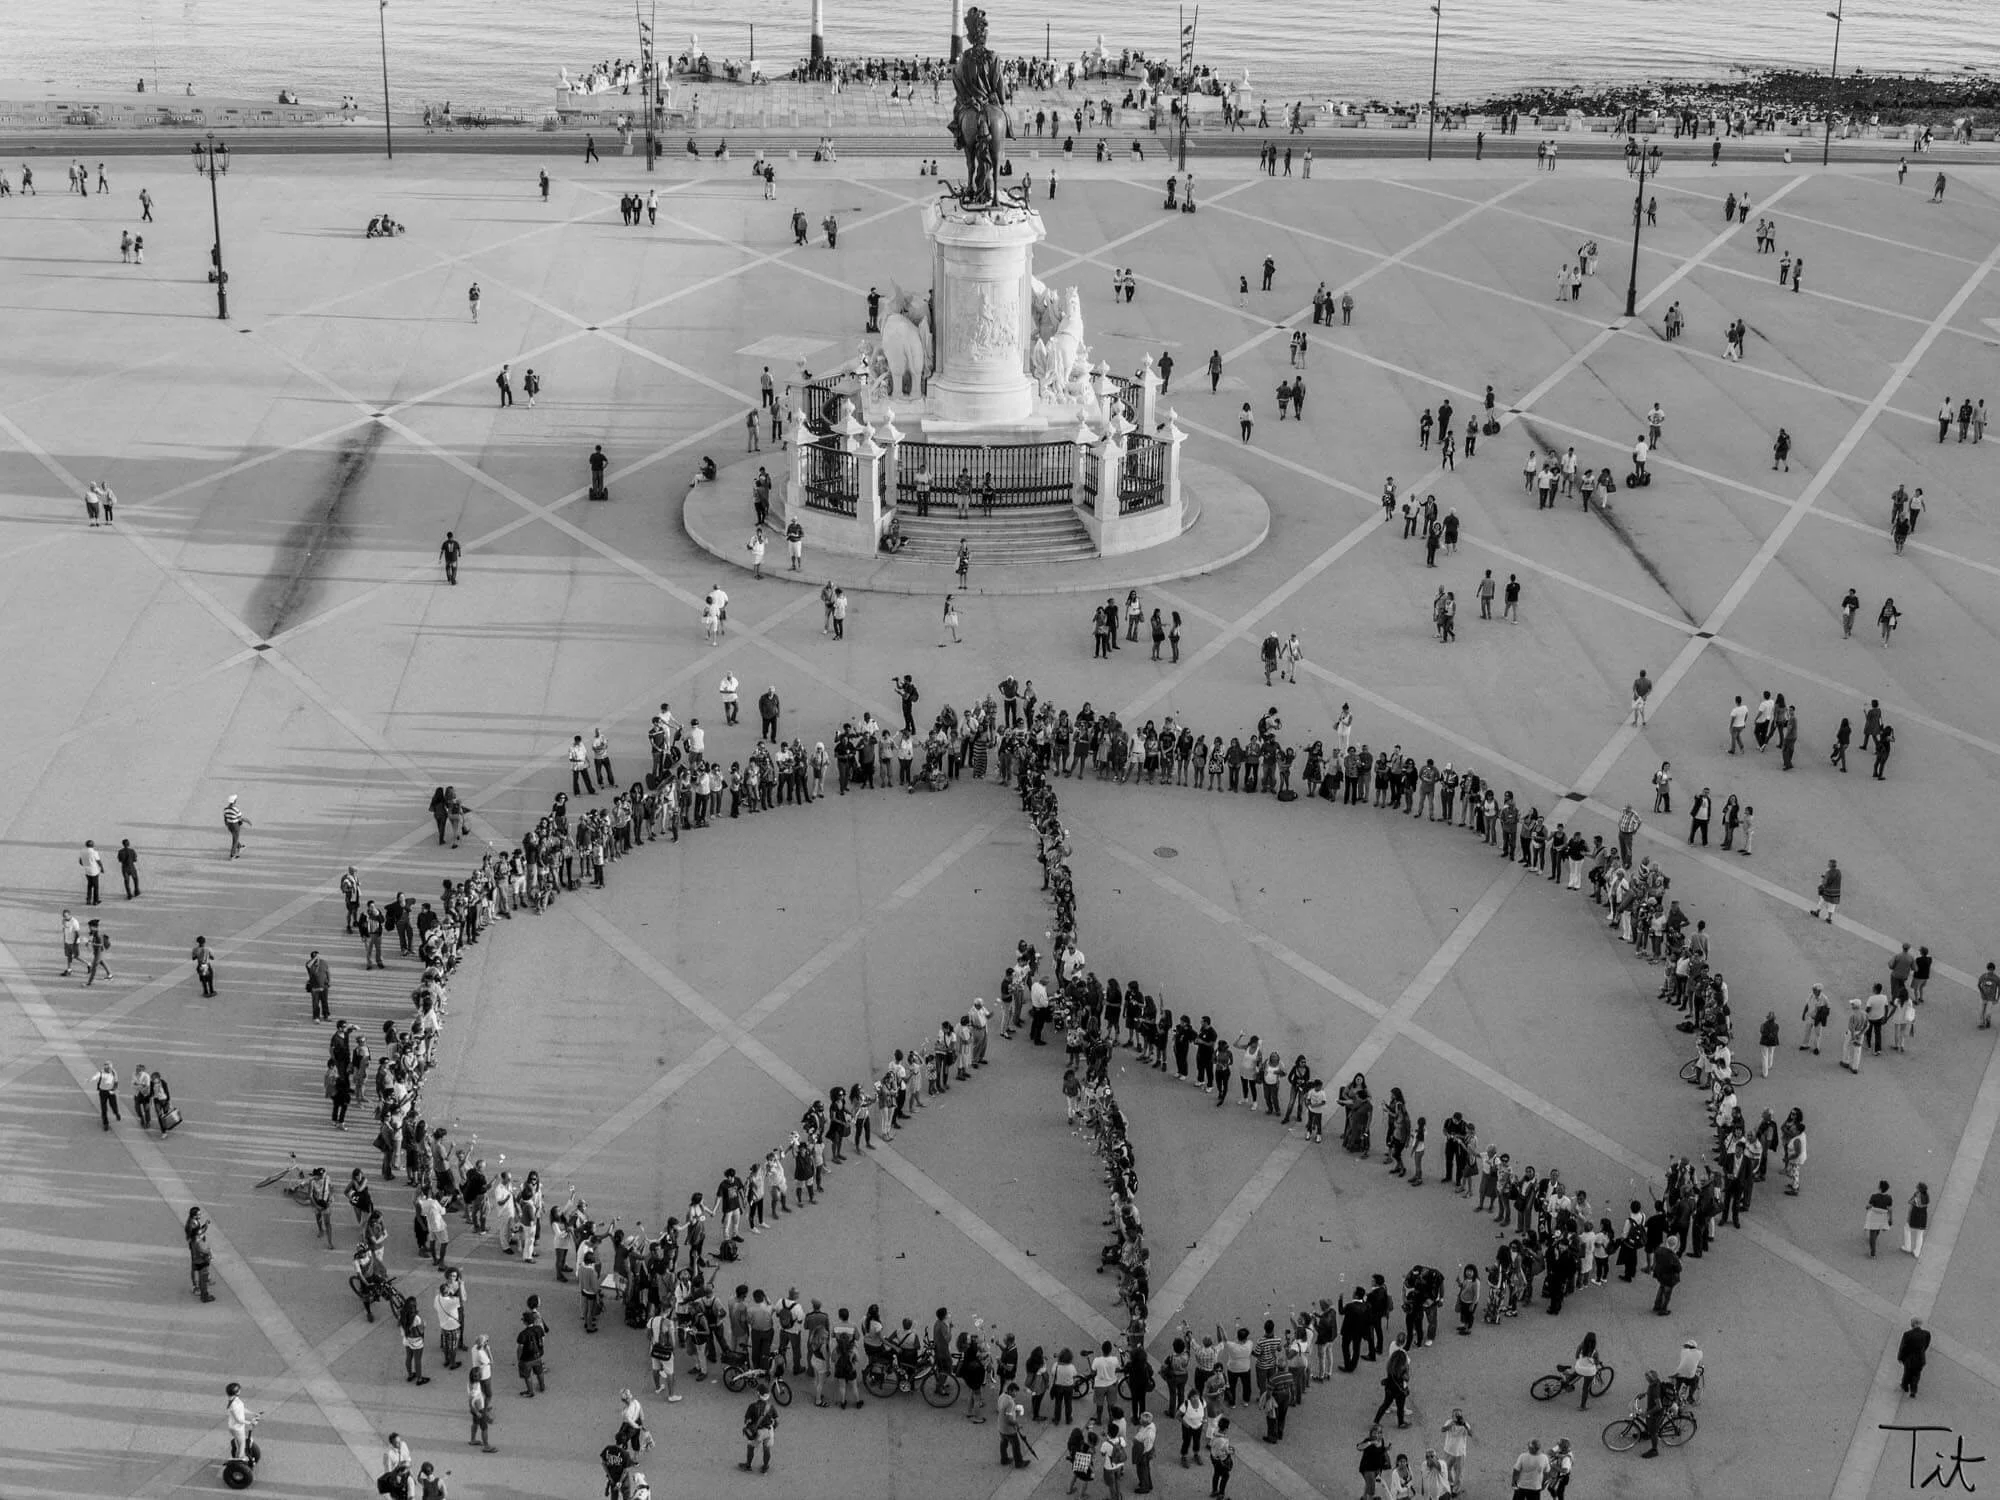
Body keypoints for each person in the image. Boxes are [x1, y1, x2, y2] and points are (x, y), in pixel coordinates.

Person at [1898, 1317, 1932, 1395]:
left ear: (1913, 1324)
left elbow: (1903, 1347)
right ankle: (1913, 1390)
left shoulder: (1907, 1334)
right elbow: (1926, 1345)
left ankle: (1905, 1386)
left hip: (1909, 1359)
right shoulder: (1926, 1334)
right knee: (1916, 1374)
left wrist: (1900, 1357)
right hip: (1920, 1359)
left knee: (1907, 1373)